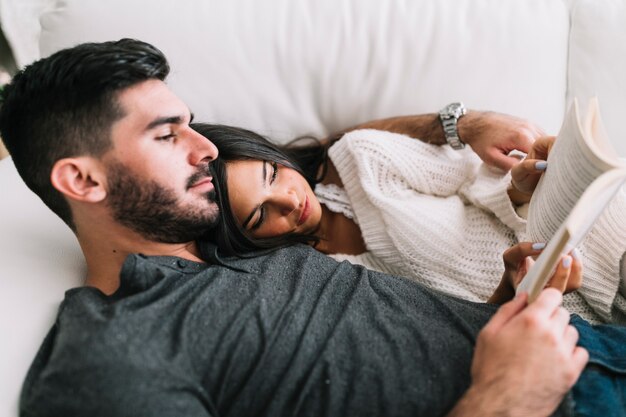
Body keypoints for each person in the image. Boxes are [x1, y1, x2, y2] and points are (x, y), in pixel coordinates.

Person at [1, 38, 624, 417]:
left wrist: (509, 306)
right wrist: (509, 395)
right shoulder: (112, 353)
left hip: (588, 344)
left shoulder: (245, 249)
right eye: (167, 135)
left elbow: (336, 156)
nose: (205, 148)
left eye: (189, 123)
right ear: (82, 182)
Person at [196, 121, 626, 324]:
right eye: (260, 215)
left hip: (584, 235)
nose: (288, 201)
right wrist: (510, 293)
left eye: (271, 175)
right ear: (245, 242)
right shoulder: (311, 284)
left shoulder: (362, 159)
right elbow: (444, 333)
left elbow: (474, 181)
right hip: (553, 320)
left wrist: (519, 187)